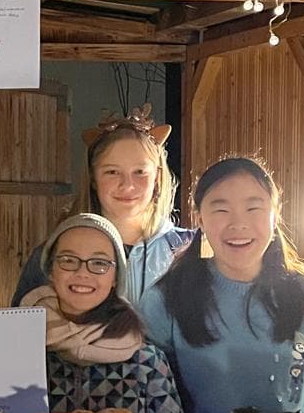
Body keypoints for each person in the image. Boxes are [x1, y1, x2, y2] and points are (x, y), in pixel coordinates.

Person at [139, 156, 304, 413]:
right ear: (200, 219)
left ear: (275, 216)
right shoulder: (165, 299)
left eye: (254, 209)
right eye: (221, 210)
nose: (238, 224)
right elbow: (150, 394)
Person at [11, 103, 191, 306]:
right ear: (93, 178)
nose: (127, 185)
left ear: (157, 177)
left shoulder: (190, 252)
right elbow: (22, 332)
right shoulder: (53, 255)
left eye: (140, 172)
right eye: (112, 172)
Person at [20, 214, 183, 413]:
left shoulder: (148, 364)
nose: (83, 272)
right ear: (51, 270)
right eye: (68, 260)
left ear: (116, 277)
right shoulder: (21, 353)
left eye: (99, 263)